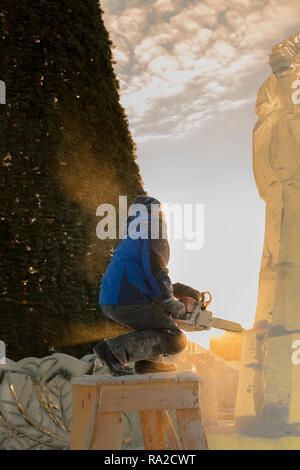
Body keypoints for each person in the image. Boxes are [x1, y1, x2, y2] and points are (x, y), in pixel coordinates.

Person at [94, 195, 201, 376]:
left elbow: (148, 275)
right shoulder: (152, 228)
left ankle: (149, 364)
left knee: (157, 320)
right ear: (151, 212)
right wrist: (170, 301)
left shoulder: (136, 233)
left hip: (117, 297)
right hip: (126, 298)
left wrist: (178, 292)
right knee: (175, 338)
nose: (163, 215)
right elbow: (155, 269)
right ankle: (114, 351)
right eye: (160, 211)